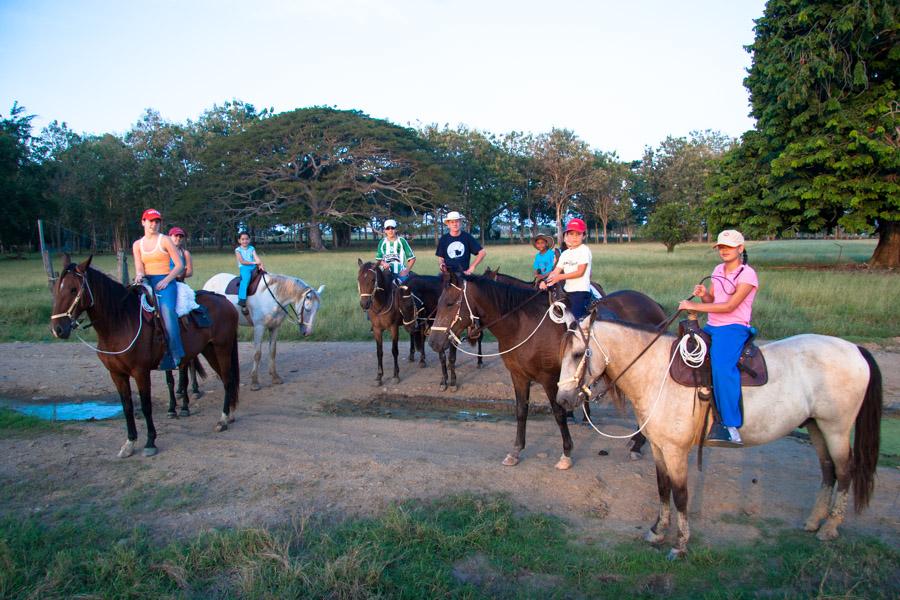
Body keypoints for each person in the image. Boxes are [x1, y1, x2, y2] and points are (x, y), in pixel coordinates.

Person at [678, 229, 759, 447]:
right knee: (684, 353)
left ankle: (730, 426)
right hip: (713, 325)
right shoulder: (718, 269)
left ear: (740, 249)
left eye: (729, 247)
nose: (724, 251)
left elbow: (731, 306)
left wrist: (695, 305)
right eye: (721, 247)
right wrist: (704, 294)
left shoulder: (747, 274)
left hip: (733, 327)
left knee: (722, 367)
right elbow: (715, 298)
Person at [132, 208, 184, 370]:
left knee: (167, 311)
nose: (153, 225)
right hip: (147, 280)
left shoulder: (165, 240)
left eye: (157, 222)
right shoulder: (137, 245)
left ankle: (176, 353)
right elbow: (139, 267)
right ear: (143, 222)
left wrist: (167, 280)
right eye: (150, 221)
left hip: (165, 280)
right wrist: (139, 275)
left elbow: (180, 265)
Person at [539, 218, 592, 320]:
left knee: (577, 320)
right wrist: (545, 281)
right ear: (566, 236)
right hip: (567, 292)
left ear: (584, 236)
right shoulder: (565, 254)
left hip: (580, 292)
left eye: (578, 234)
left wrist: (559, 277)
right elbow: (555, 271)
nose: (574, 237)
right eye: (571, 234)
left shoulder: (584, 250)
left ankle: (584, 335)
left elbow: (580, 272)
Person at [436, 211, 486, 275]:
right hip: (448, 275)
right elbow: (441, 257)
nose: (455, 224)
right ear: (448, 225)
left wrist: (472, 267)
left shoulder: (467, 237)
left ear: (460, 223)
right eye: (452, 222)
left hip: (463, 275)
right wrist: (441, 264)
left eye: (457, 221)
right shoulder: (443, 239)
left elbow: (482, 252)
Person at [376, 219, 416, 283]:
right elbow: (379, 259)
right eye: (388, 228)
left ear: (396, 229)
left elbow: (412, 258)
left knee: (405, 290)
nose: (390, 230)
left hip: (400, 272)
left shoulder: (402, 241)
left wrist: (407, 270)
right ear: (385, 230)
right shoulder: (382, 242)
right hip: (386, 272)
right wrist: (384, 263)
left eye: (392, 228)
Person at [235, 231, 265, 316]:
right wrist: (254, 263)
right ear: (239, 241)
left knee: (263, 275)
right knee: (246, 280)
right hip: (244, 268)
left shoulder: (251, 248)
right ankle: (242, 302)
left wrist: (260, 264)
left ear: (249, 240)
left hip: (253, 265)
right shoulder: (238, 250)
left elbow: (256, 257)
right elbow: (242, 261)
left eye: (247, 239)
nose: (245, 241)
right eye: (243, 239)